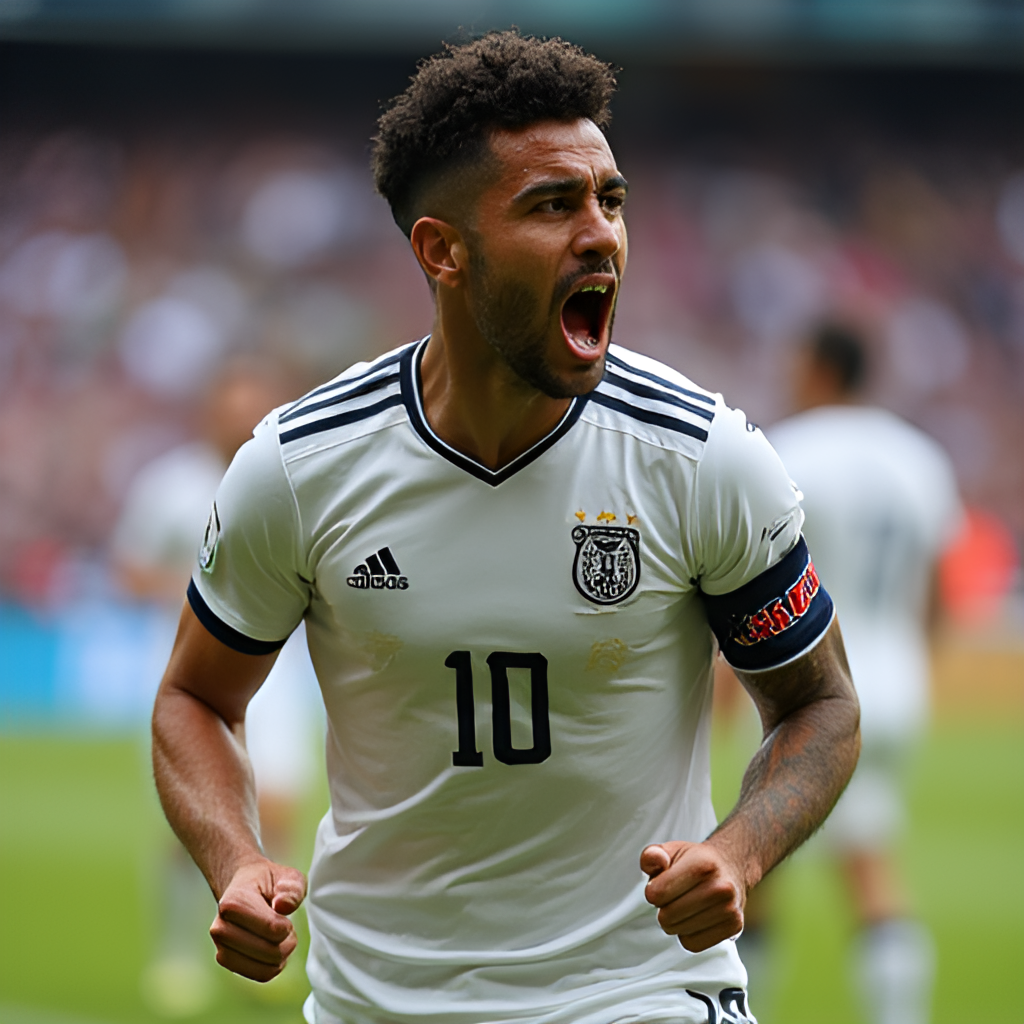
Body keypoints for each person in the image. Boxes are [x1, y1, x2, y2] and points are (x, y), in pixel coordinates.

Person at [151, 31, 860, 1024]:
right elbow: (193, 696)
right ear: (441, 250)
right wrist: (234, 860)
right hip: (375, 1006)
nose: (601, 234)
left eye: (610, 199)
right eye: (552, 205)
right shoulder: (300, 467)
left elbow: (821, 705)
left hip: (644, 996)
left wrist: (737, 853)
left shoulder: (701, 458)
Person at [768, 322, 963, 1024]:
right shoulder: (919, 457)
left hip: (814, 687)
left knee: (757, 859)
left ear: (820, 368)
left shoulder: (789, 450)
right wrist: (919, 664)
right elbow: (940, 589)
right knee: (861, 851)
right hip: (898, 682)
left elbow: (762, 582)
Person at [114, 355, 321, 1013]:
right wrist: (204, 589)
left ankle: (270, 944)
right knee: (197, 811)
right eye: (232, 409)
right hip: (190, 660)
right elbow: (130, 570)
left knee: (277, 809)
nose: (240, 421)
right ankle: (176, 954)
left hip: (279, 665)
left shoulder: (287, 475)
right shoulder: (170, 486)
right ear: (211, 413)